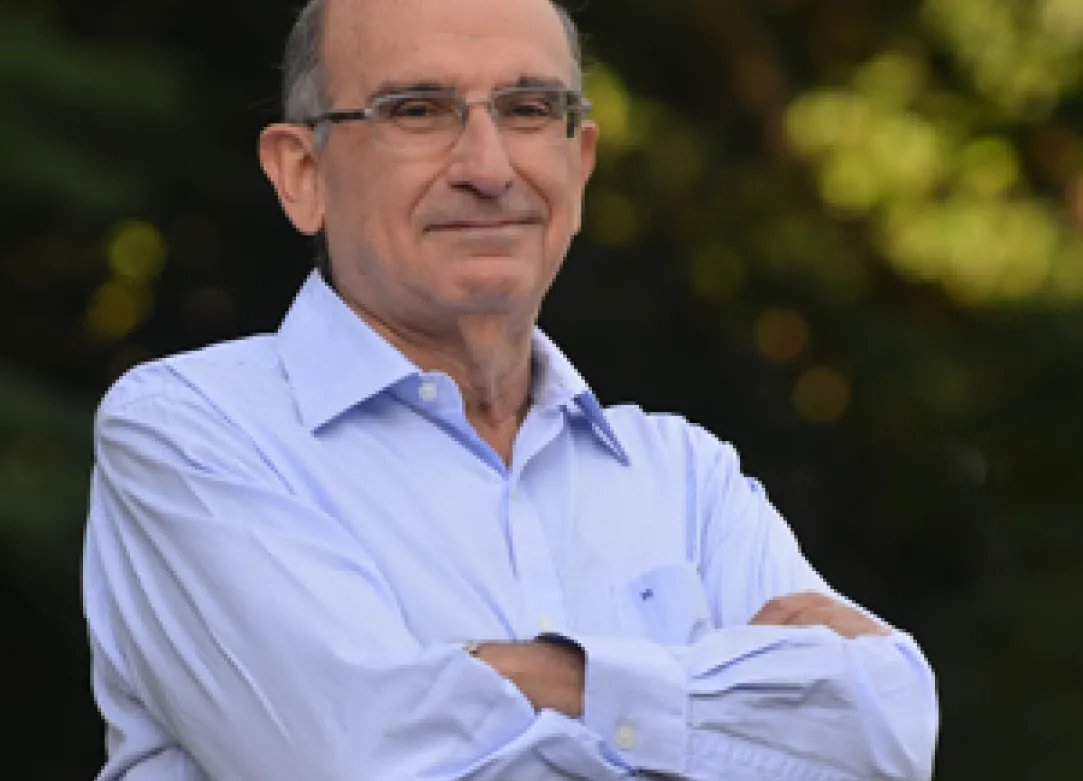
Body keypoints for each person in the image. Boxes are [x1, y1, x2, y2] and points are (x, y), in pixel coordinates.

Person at [81, 0, 939, 778]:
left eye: (529, 110)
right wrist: (717, 711)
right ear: (301, 172)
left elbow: (891, 730)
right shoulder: (195, 431)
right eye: (417, 110)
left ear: (580, 163)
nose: (487, 168)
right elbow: (355, 763)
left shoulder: (685, 477)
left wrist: (539, 677)